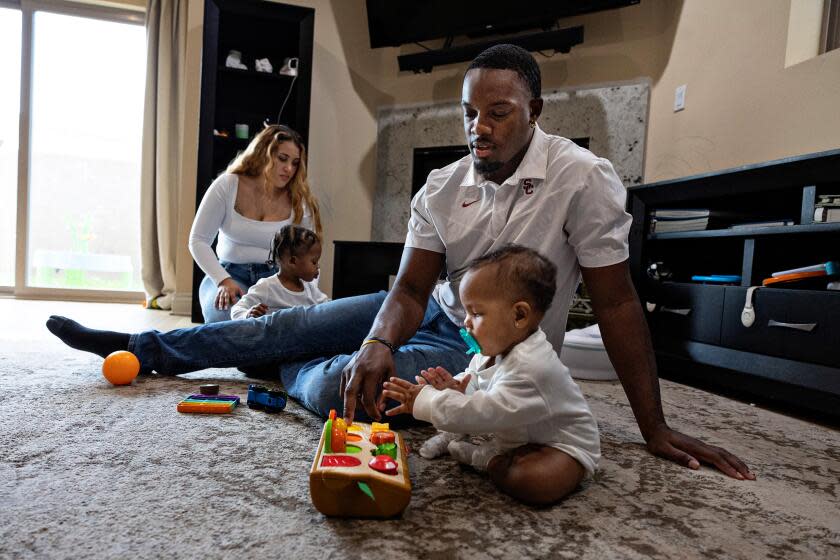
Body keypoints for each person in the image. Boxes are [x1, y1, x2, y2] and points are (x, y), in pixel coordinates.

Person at [46, 44, 753, 483]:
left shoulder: (584, 178)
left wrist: (654, 426)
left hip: (488, 355)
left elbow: (620, 302)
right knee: (282, 328)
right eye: (471, 114)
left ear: (535, 110)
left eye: (500, 112)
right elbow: (412, 287)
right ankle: (140, 347)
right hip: (437, 314)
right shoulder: (444, 185)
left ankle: (288, 365)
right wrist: (382, 340)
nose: (481, 127)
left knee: (335, 392)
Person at [382, 245, 600, 505]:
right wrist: (458, 388)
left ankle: (483, 458)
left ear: (519, 315)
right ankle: (472, 441)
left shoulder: (533, 367)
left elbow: (484, 412)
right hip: (521, 433)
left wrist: (427, 401)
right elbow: (476, 378)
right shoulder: (494, 346)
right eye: (466, 312)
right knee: (474, 414)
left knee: (531, 482)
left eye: (476, 313)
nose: (466, 322)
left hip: (562, 445)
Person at [190, 124, 322, 322]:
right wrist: (223, 280)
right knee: (225, 321)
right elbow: (198, 241)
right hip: (230, 274)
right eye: (282, 159)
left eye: (295, 163)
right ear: (263, 154)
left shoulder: (299, 200)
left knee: (286, 324)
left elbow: (309, 256)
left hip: (280, 279)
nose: (289, 169)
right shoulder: (228, 185)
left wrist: (308, 294)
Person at [230, 225, 329, 320]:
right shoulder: (267, 287)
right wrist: (247, 314)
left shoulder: (309, 288)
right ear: (293, 261)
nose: (318, 266)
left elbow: (329, 307)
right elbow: (236, 310)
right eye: (314, 262)